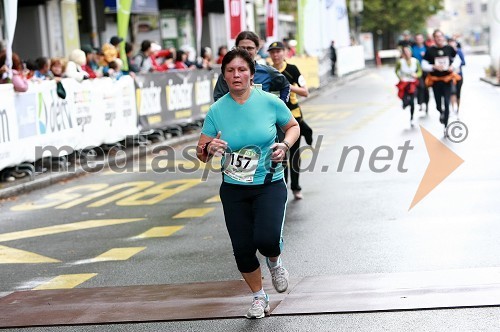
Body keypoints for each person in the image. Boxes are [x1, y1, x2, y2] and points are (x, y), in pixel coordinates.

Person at [196, 48, 300, 319]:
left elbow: (293, 126)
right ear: (224, 76)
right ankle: (258, 297)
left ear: (252, 75)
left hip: (268, 182)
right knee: (242, 249)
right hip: (233, 188)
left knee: (266, 240)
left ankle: (275, 262)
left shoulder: (269, 102)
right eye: (230, 71)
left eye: (242, 70)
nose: (236, 75)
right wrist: (210, 148)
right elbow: (201, 151)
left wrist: (285, 145)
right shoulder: (217, 110)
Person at [268, 41, 313, 200]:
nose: (276, 55)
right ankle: (282, 187)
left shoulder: (292, 69)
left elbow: (305, 92)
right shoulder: (267, 71)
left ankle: (296, 187)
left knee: (294, 154)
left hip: (293, 116)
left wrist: (287, 86)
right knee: (280, 154)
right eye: (272, 52)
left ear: (285, 52)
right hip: (274, 119)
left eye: (279, 51)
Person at [213, 31, 290, 105]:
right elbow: (218, 98)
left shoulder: (267, 72)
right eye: (242, 48)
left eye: (250, 48)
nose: (246, 51)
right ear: (236, 48)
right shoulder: (228, 73)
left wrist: (280, 107)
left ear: (257, 49)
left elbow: (286, 85)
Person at [422, 29, 462, 133]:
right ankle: (441, 112)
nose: (439, 38)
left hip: (447, 80)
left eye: (440, 36)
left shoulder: (449, 48)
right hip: (435, 81)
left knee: (447, 101)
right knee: (438, 104)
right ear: (434, 38)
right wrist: (433, 67)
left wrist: (452, 67)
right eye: (436, 36)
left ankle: (446, 125)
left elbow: (457, 59)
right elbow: (424, 64)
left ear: (443, 37)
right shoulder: (430, 50)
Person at [395, 46, 422, 127]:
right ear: (403, 53)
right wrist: (400, 78)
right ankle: (405, 103)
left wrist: (416, 75)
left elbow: (420, 71)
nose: (407, 53)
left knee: (412, 101)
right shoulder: (400, 62)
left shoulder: (415, 61)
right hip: (404, 83)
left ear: (410, 52)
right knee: (405, 99)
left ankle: (412, 118)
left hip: (413, 83)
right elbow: (396, 71)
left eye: (408, 51)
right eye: (405, 52)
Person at [411, 33, 430, 112]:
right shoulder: (413, 49)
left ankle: (426, 103)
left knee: (426, 88)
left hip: (426, 70)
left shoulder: (427, 48)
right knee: (420, 87)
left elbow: (431, 59)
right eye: (417, 39)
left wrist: (424, 56)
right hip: (417, 71)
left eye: (420, 38)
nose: (419, 40)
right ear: (415, 40)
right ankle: (420, 103)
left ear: (423, 39)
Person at [448, 38, 465, 114]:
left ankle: (458, 108)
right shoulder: (447, 51)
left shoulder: (459, 52)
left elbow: (463, 62)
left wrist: (455, 65)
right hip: (450, 76)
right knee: (452, 92)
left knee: (458, 92)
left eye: (453, 42)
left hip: (458, 75)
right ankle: (452, 108)